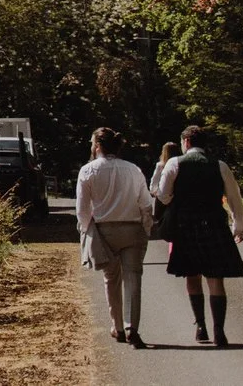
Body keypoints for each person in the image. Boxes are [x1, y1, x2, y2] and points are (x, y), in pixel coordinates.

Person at [155, 124, 243, 346]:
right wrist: (239, 226)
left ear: (186, 142)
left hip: (186, 226)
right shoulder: (220, 166)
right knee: (215, 278)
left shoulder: (174, 163)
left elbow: (163, 195)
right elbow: (234, 198)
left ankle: (201, 327)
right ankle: (219, 331)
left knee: (192, 276)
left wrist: (178, 200)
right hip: (214, 224)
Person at [75, 127, 154, 347]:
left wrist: (85, 230)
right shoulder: (134, 170)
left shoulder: (88, 171)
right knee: (133, 278)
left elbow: (82, 210)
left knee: (111, 279)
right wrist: (146, 228)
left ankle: (117, 326)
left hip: (103, 230)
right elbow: (146, 204)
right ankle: (132, 328)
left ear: (97, 146)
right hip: (132, 228)